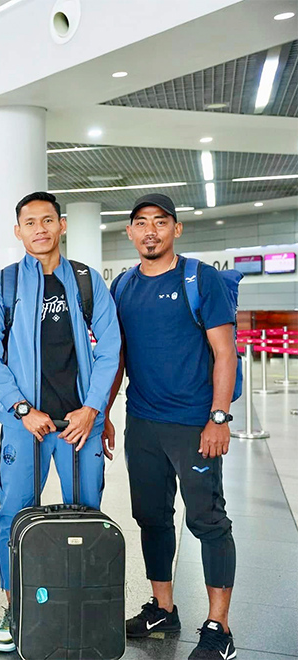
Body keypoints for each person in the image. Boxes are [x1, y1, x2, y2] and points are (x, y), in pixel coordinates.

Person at [0, 191, 121, 653]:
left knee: (86, 517)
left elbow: (109, 350)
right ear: (17, 231)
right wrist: (22, 408)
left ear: (61, 225)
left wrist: (92, 408)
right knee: (14, 516)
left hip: (81, 424)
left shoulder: (86, 282)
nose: (39, 229)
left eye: (46, 220)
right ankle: (15, 608)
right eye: (28, 222)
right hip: (27, 424)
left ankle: (82, 608)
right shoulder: (0, 286)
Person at [104, 193, 238, 660]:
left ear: (176, 229)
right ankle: (164, 609)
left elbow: (226, 352)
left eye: (161, 223)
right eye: (141, 223)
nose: (151, 231)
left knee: (207, 521)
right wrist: (103, 413)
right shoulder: (123, 286)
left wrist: (218, 417)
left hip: (194, 425)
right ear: (130, 232)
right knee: (152, 519)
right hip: (141, 422)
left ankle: (219, 627)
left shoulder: (201, 278)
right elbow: (117, 359)